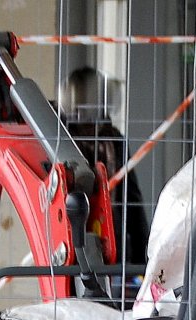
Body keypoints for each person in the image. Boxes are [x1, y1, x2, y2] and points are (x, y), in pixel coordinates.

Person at [60, 66, 149, 268]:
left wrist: (142, 259)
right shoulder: (61, 140)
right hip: (70, 242)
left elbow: (132, 200)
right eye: (83, 105)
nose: (87, 114)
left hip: (112, 245)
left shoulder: (114, 140)